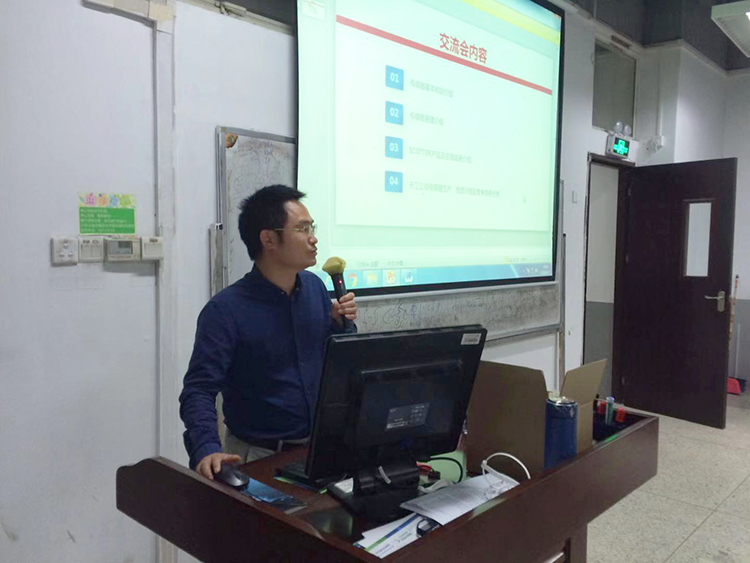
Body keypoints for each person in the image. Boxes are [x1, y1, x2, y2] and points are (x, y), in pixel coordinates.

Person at [179, 185, 357, 479]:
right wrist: (206, 448)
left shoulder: (315, 288)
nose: (313, 238)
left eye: (312, 227)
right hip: (258, 455)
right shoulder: (225, 310)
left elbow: (333, 362)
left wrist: (339, 325)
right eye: (302, 229)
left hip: (318, 449)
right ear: (269, 239)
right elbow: (199, 389)